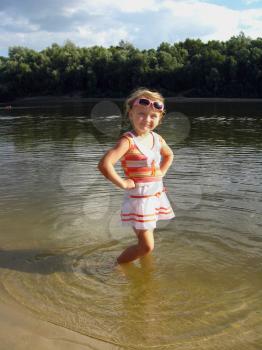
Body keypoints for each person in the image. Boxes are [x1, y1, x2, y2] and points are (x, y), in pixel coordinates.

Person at [98, 88, 175, 264]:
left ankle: (143, 267)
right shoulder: (128, 141)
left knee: (144, 244)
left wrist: (161, 173)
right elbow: (104, 164)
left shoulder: (157, 139)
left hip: (155, 197)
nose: (147, 120)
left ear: (160, 118)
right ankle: (118, 265)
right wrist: (123, 184)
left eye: (153, 116)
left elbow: (169, 155)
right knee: (147, 246)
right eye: (141, 114)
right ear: (130, 113)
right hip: (139, 201)